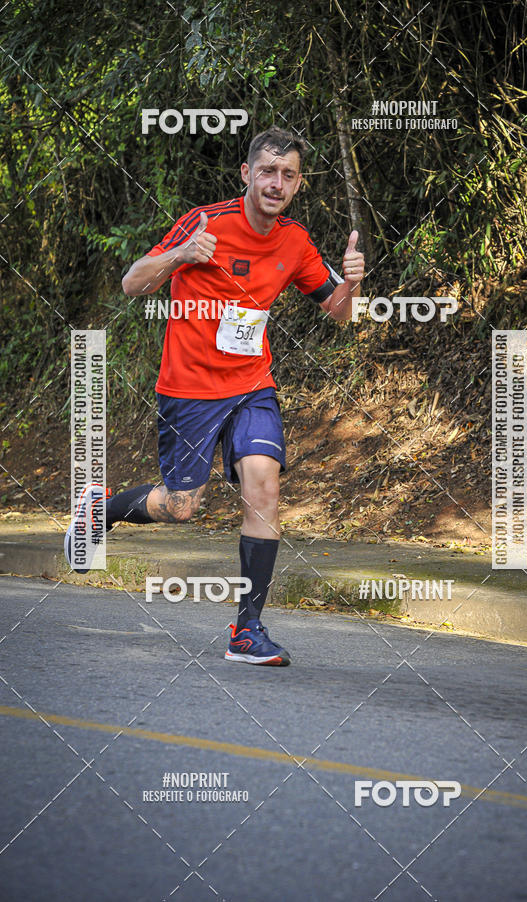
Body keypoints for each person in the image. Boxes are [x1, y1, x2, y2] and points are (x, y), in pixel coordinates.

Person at [65, 125, 365, 665]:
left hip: (252, 386)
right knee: (182, 507)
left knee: (264, 489)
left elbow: (339, 311)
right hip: (190, 390)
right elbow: (134, 283)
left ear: (298, 184)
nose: (277, 183)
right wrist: (181, 254)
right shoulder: (205, 223)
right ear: (248, 174)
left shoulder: (295, 240)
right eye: (268, 172)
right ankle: (100, 509)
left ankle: (247, 631)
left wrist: (353, 284)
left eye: (289, 175)